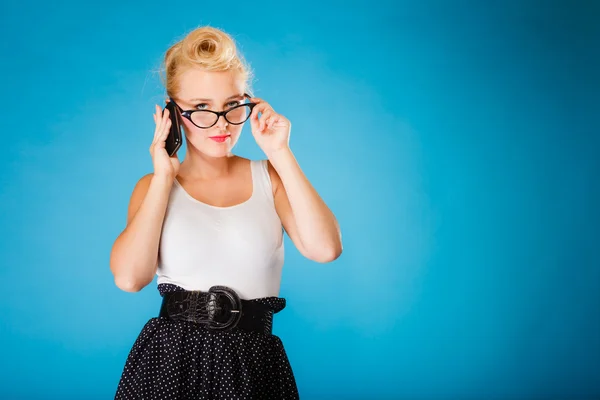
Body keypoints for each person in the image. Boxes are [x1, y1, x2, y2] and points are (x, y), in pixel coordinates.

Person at [110, 25, 343, 399]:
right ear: (172, 111)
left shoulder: (272, 178)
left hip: (254, 363)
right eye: (201, 108)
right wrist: (163, 177)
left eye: (232, 105)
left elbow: (325, 249)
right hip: (170, 361)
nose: (220, 123)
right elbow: (130, 278)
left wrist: (280, 153)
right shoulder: (152, 187)